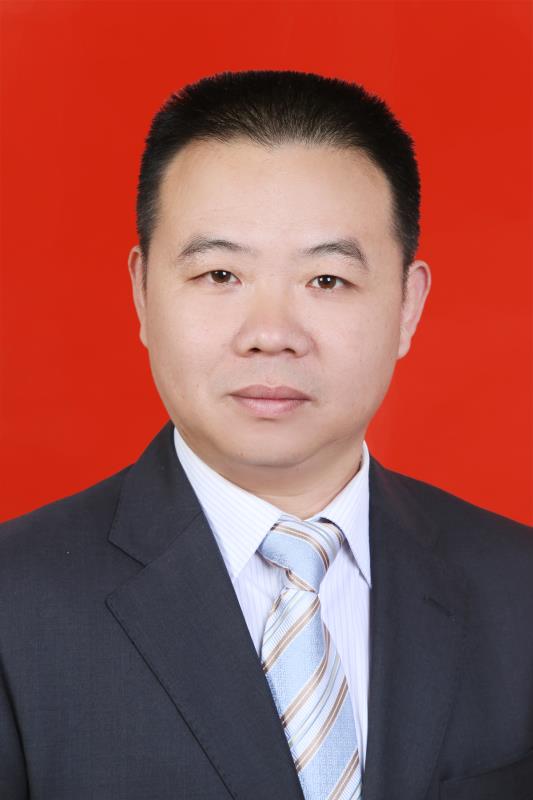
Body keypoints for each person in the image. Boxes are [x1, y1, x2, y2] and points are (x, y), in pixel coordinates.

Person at [0, 70, 531, 800]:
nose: (271, 334)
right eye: (221, 274)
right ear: (142, 292)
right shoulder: (15, 604)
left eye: (326, 281)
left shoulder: (517, 590)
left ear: (407, 306)